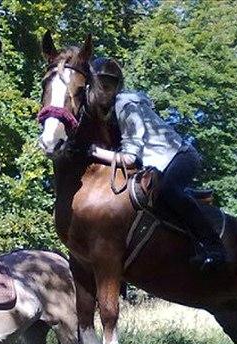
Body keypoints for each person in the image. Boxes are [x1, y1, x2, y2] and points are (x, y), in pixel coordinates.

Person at [87, 57, 227, 269]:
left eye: (109, 87)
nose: (103, 92)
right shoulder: (106, 114)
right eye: (99, 87)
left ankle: (214, 247)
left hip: (181, 156)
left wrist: (93, 152)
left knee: (169, 191)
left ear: (117, 88)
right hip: (160, 164)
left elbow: (130, 159)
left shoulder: (126, 107)